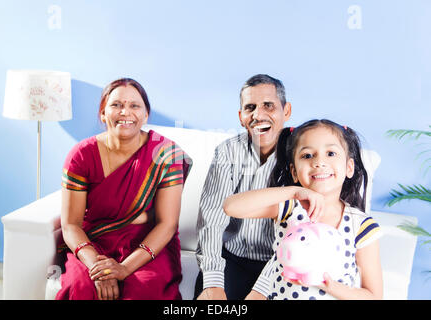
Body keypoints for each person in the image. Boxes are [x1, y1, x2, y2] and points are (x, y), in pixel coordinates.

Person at [55, 78, 192, 300]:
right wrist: (97, 268)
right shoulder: (81, 155)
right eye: (116, 105)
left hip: (147, 244)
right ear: (103, 113)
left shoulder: (166, 154)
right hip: (94, 242)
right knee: (81, 286)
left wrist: (124, 268)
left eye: (134, 105)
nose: (125, 112)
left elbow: (167, 224)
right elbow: (71, 224)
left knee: (145, 289)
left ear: (146, 115)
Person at [223, 119, 383, 300]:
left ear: (349, 167)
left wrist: (329, 286)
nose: (319, 162)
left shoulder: (361, 225)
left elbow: (373, 296)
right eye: (307, 156)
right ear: (294, 172)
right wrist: (293, 191)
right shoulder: (289, 208)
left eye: (330, 153)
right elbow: (231, 207)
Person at [195, 74, 292, 300]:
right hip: (232, 258)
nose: (258, 115)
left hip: (281, 263)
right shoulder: (226, 152)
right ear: (241, 117)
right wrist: (213, 281)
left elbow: (297, 233)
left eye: (268, 105)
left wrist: (263, 288)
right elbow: (211, 220)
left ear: (286, 111)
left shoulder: (302, 155)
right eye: (250, 108)